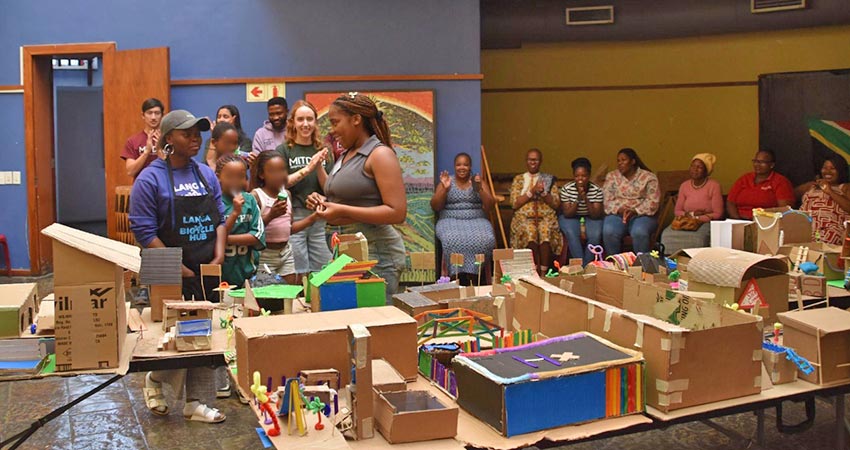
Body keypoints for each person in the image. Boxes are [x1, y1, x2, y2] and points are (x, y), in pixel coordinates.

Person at [129, 110, 226, 423]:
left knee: (204, 334)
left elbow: (220, 218)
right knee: (173, 336)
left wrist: (218, 254)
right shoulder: (149, 179)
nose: (195, 139)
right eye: (187, 134)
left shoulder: (206, 174)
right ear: (168, 138)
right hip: (166, 267)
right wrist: (176, 266)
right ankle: (156, 378)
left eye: (198, 133)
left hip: (206, 266)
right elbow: (144, 231)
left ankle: (196, 402)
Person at [306, 93, 407, 303]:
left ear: (356, 119)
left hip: (377, 254)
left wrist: (341, 210)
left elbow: (397, 212)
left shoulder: (380, 155)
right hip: (347, 252)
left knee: (375, 319)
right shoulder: (346, 155)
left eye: (335, 122)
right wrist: (322, 201)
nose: (331, 130)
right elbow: (340, 193)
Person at [278, 100, 333, 280]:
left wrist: (319, 167)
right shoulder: (283, 150)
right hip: (294, 218)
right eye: (300, 119)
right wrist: (308, 168)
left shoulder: (324, 150)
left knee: (323, 269)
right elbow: (280, 184)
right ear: (292, 122)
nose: (305, 124)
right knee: (297, 271)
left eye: (310, 119)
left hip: (320, 217)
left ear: (315, 122)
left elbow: (330, 188)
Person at [250, 151, 319, 284]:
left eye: (282, 170)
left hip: (286, 252)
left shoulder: (286, 194)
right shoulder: (256, 196)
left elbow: (289, 229)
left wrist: (313, 217)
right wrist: (271, 215)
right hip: (265, 255)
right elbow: (253, 230)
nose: (280, 175)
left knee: (289, 290)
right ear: (261, 174)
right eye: (273, 171)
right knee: (265, 291)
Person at [431, 152, 497, 285]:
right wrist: (445, 189)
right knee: (451, 238)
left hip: (477, 219)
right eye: (458, 165)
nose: (462, 168)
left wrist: (479, 189)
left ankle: (476, 276)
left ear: (470, 166)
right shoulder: (447, 181)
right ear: (454, 166)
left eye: (465, 165)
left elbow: (490, 205)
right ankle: (455, 276)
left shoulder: (478, 181)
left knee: (486, 238)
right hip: (450, 219)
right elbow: (435, 206)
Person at [509, 148, 562, 274]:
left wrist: (543, 193)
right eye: (530, 160)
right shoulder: (519, 179)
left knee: (545, 230)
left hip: (546, 217)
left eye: (536, 160)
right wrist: (532, 191)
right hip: (524, 218)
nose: (533, 162)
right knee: (530, 231)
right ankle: (532, 270)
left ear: (540, 161)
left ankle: (543, 271)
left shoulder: (548, 179)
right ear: (526, 161)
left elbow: (555, 204)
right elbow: (514, 204)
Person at [660, 154, 724, 254]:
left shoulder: (714, 186)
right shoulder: (684, 186)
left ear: (706, 171)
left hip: (705, 222)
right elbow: (677, 211)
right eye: (693, 166)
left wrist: (699, 218)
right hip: (685, 221)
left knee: (699, 238)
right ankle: (671, 261)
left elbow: (718, 214)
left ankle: (695, 261)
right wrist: (692, 215)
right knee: (666, 235)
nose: (695, 169)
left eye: (699, 167)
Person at [602, 148, 660, 255]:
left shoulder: (648, 177)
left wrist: (635, 211)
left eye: (623, 160)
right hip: (618, 215)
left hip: (642, 215)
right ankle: (614, 262)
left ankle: (642, 262)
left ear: (633, 161)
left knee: (639, 232)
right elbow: (607, 200)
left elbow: (653, 202)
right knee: (609, 231)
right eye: (618, 161)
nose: (620, 163)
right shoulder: (612, 177)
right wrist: (619, 210)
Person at [558, 157, 604, 265]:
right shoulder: (566, 189)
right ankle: (581, 265)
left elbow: (595, 215)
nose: (580, 179)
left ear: (589, 176)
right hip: (571, 217)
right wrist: (578, 199)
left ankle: (587, 265)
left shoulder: (596, 190)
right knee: (572, 234)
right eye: (577, 176)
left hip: (590, 217)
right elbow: (567, 214)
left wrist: (586, 199)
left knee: (595, 235)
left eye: (583, 176)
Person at [726, 149, 794, 220]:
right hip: (740, 220)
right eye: (755, 161)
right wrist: (737, 220)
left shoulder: (780, 181)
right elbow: (730, 202)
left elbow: (784, 210)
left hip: (766, 222)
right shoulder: (744, 179)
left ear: (772, 165)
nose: (757, 165)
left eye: (762, 162)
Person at [800, 155, 850, 245]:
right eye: (824, 168)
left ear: (840, 170)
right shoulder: (812, 186)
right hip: (806, 227)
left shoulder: (845, 188)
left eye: (832, 168)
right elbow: (789, 194)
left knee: (823, 240)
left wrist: (829, 191)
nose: (828, 171)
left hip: (831, 230)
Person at [121, 98, 163, 179]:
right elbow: (130, 172)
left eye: (157, 113)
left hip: (163, 184)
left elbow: (175, 168)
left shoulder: (169, 139)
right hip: (142, 184)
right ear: (143, 115)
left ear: (162, 115)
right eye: (149, 113)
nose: (153, 117)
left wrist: (160, 150)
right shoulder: (132, 141)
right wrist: (146, 152)